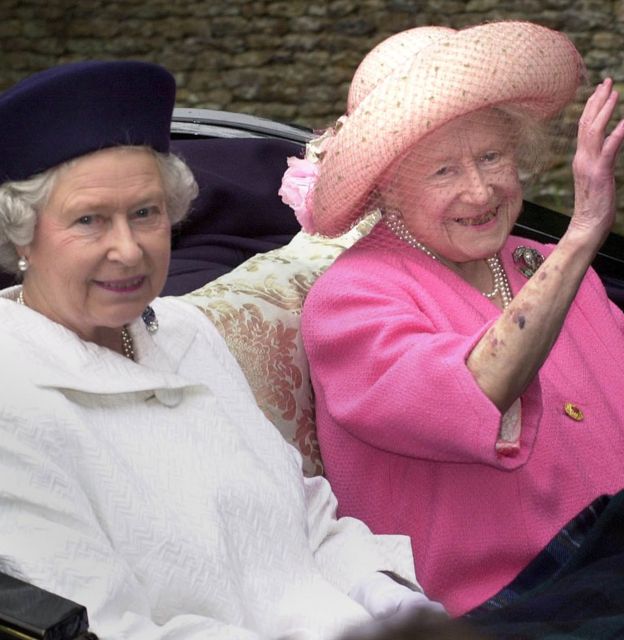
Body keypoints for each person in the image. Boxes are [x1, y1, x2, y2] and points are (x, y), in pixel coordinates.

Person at [0, 60, 444, 640]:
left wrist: (402, 613)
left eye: (145, 213)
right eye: (89, 221)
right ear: (22, 235)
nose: (128, 250)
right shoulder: (13, 400)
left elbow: (307, 520)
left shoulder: (183, 330)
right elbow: (110, 628)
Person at [282, 21, 624, 617]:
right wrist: (582, 238)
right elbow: (478, 389)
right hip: (515, 600)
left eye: (493, 156)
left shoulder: (541, 264)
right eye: (444, 170)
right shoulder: (353, 297)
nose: (479, 191)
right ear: (385, 189)